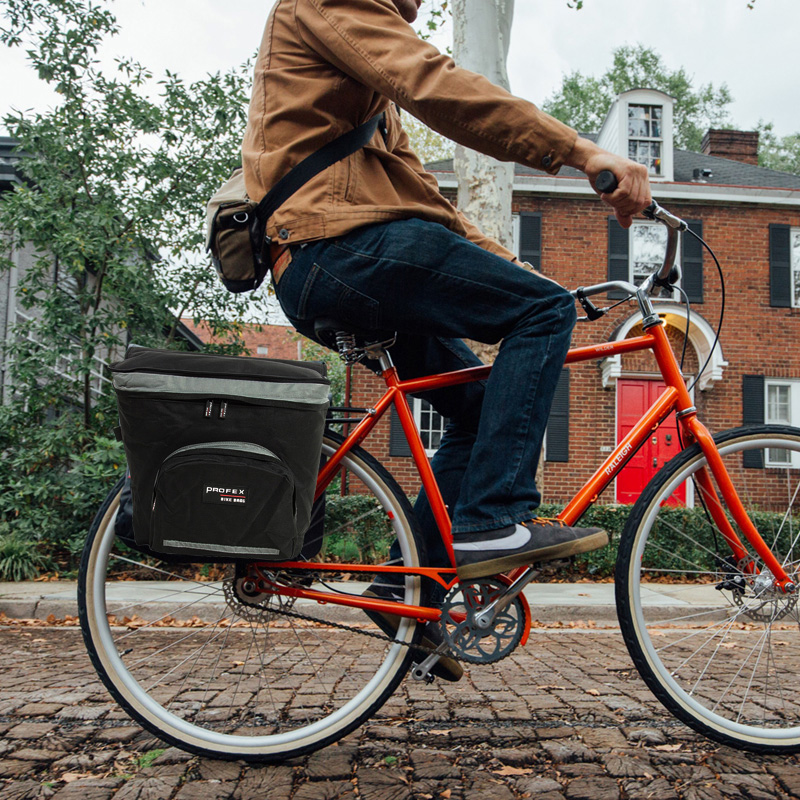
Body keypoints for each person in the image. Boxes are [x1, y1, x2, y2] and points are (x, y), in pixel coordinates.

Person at [242, 0, 651, 678]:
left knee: (480, 403)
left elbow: (428, 203)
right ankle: (491, 521)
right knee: (538, 315)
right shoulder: (332, 4)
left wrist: (519, 276)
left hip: (338, 251)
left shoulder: (367, 72)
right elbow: (437, 82)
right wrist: (580, 151)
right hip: (335, 248)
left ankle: (405, 587)